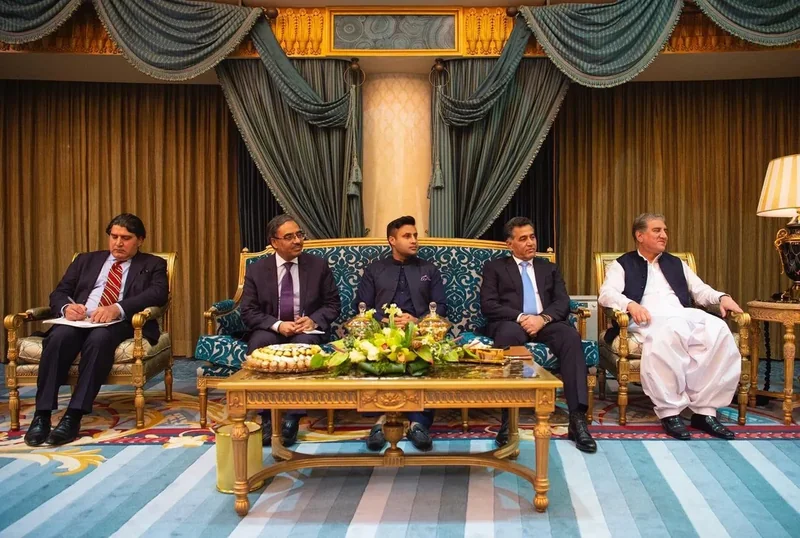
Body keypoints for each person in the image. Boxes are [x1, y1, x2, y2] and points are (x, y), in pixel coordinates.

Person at [24, 213, 168, 447]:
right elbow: (60, 292)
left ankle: (73, 416)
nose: (118, 243)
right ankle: (42, 415)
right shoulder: (85, 260)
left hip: (119, 323)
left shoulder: (153, 264)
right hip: (80, 320)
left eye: (126, 238)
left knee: (99, 339)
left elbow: (158, 294)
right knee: (59, 337)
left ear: (140, 240)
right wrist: (67, 308)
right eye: (114, 236)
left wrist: (117, 308)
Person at [598, 213, 743, 440]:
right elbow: (607, 294)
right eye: (657, 230)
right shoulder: (622, 264)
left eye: (665, 230)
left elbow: (700, 290)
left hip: (681, 315)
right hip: (646, 318)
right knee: (669, 333)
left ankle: (705, 411)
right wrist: (630, 304)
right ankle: (670, 412)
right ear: (639, 236)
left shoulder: (676, 263)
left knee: (718, 330)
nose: (664, 235)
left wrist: (721, 297)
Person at [480, 217, 596, 453]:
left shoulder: (548, 268)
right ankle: (508, 420)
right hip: (511, 322)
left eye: (532, 237)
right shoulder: (495, 268)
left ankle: (577, 419)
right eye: (523, 239)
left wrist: (542, 319)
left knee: (570, 337)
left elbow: (562, 301)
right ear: (509, 244)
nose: (530, 242)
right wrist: (522, 317)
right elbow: (489, 305)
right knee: (507, 337)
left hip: (546, 322)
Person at [240, 214, 341, 447]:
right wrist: (278, 324)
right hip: (271, 327)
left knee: (303, 346)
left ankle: (292, 418)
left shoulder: (317, 266)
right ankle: (266, 416)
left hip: (305, 329)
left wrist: (313, 321)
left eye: (299, 234)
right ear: (274, 242)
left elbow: (333, 304)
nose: (297, 241)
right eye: (289, 237)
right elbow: (248, 311)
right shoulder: (257, 270)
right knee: (259, 343)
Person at [355, 215, 447, 451]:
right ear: (392, 240)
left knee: (426, 355)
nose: (414, 240)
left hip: (420, 331)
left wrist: (417, 320)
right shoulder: (375, 269)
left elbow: (441, 306)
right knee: (375, 354)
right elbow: (361, 306)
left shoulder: (428, 269)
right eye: (407, 236)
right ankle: (379, 422)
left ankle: (419, 424)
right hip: (382, 332)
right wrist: (386, 320)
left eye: (415, 235)